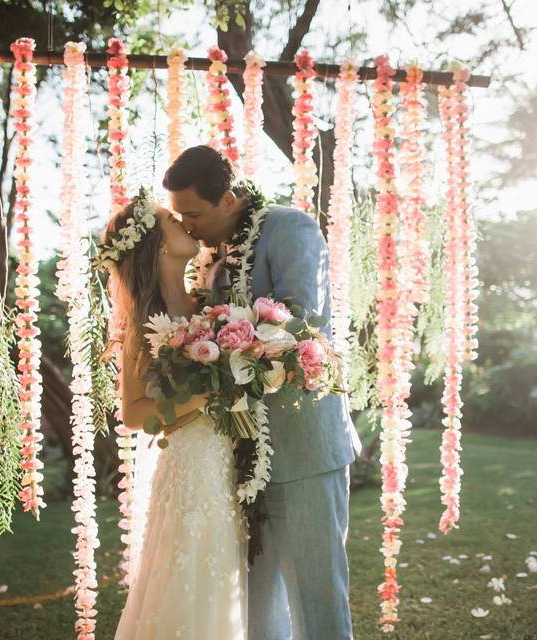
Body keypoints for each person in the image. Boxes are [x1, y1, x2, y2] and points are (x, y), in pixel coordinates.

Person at [164, 145, 362, 640]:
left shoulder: (289, 227)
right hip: (241, 452)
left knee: (317, 598)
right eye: (179, 216)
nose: (187, 225)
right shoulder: (215, 255)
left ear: (228, 199)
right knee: (255, 608)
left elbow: (299, 320)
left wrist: (210, 339)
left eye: (194, 213)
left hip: (303, 446)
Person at [109, 191, 248, 640]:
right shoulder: (143, 323)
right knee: (189, 575)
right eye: (173, 219)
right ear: (158, 243)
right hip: (191, 464)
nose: (186, 223)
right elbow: (132, 413)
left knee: (227, 576)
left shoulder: (205, 304)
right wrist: (205, 397)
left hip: (229, 456)